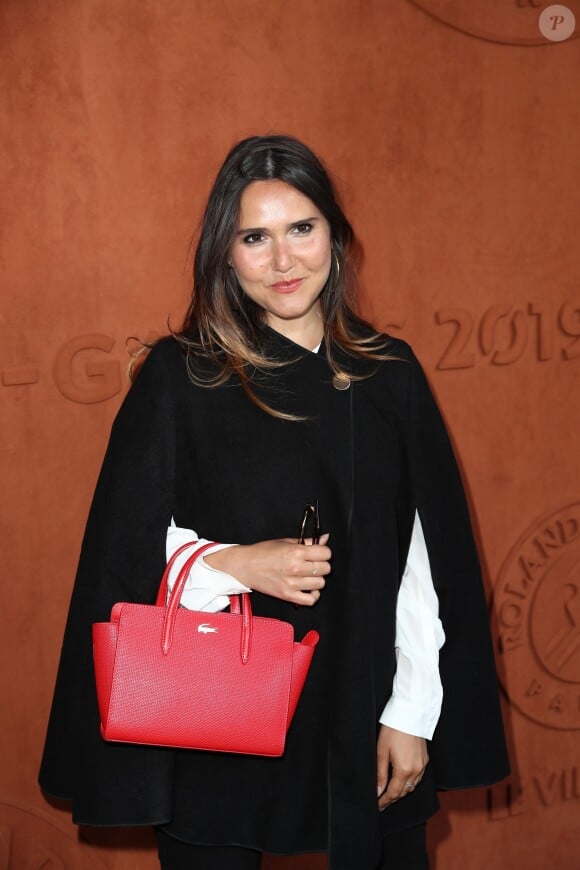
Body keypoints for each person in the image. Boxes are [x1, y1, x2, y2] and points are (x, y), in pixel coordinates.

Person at [39, 135, 509, 870]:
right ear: (225, 255)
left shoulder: (389, 373)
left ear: (336, 236)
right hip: (214, 720)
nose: (284, 261)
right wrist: (236, 563)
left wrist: (412, 713)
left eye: (302, 229)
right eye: (254, 238)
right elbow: (122, 548)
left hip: (365, 712)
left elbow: (422, 559)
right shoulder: (180, 376)